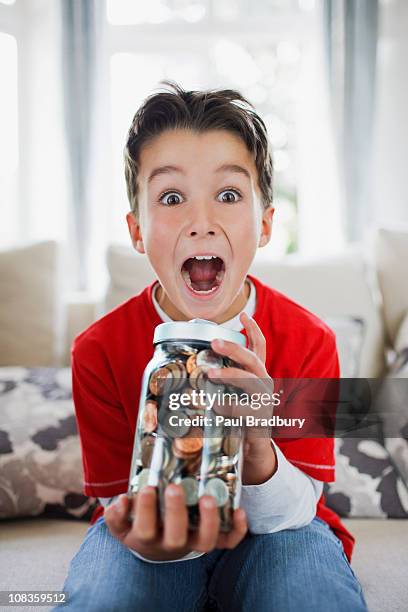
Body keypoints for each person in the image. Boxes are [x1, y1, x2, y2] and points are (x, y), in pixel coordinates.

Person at [54, 81, 368, 611]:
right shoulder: (98, 351)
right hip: (148, 533)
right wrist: (153, 538)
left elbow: (298, 507)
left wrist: (256, 445)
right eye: (172, 198)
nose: (202, 223)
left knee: (310, 595)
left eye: (228, 195)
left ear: (265, 223)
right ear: (137, 230)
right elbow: (119, 503)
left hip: (281, 531)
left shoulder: (311, 341)